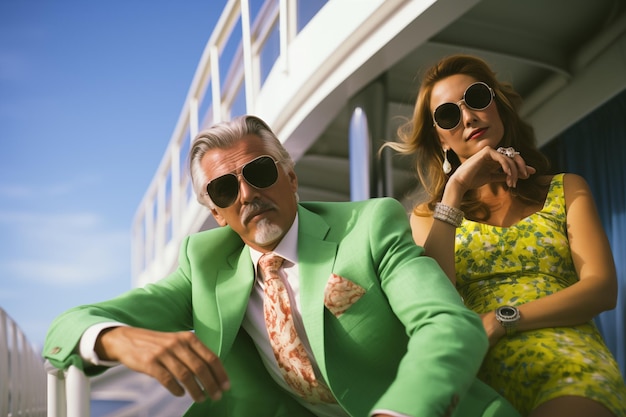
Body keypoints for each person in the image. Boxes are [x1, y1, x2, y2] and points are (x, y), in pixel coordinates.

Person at [44, 115, 519, 417]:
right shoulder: (203, 265)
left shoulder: (369, 225)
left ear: (290, 176)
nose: (247, 194)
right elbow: (66, 326)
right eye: (226, 190)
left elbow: (448, 324)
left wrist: (400, 412)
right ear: (216, 213)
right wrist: (114, 337)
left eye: (260, 172)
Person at [384, 54, 626, 417]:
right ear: (440, 138)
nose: (468, 117)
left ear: (498, 104)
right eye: (448, 115)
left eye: (477, 98)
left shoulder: (565, 189)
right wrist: (456, 188)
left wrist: (503, 319)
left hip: (569, 364)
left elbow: (602, 288)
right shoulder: (427, 218)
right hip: (476, 386)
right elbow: (438, 304)